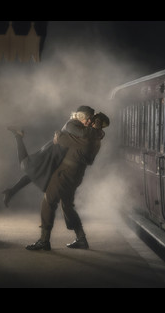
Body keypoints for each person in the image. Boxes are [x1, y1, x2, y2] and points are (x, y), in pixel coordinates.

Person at [26, 108, 110, 252]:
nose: (89, 121)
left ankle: (44, 240)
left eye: (93, 120)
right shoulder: (96, 139)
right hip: (76, 175)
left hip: (65, 173)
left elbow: (61, 140)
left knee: (48, 201)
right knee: (67, 205)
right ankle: (81, 238)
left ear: (96, 124)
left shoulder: (86, 137)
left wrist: (59, 135)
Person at [3, 106, 97, 207]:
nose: (90, 121)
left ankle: (11, 191)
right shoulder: (72, 123)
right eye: (88, 118)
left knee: (34, 172)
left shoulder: (79, 126)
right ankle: (18, 135)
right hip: (52, 153)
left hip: (57, 155)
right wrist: (97, 127)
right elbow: (84, 135)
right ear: (80, 116)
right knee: (28, 166)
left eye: (91, 119)